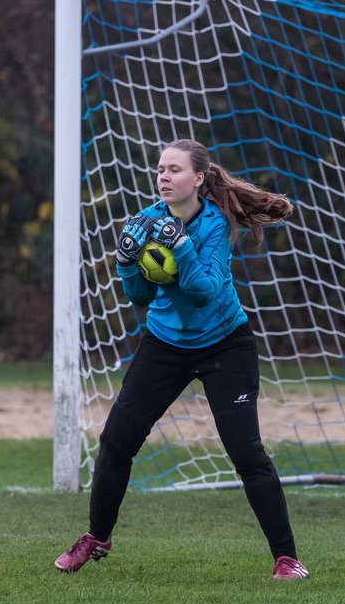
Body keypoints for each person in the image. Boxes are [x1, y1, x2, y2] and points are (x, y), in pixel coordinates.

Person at [54, 139, 309, 580]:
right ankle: (96, 538)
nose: (164, 178)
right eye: (160, 170)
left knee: (246, 452)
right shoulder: (147, 220)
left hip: (225, 344)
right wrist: (126, 262)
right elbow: (139, 297)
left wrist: (181, 245)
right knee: (116, 441)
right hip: (165, 343)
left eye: (174, 170)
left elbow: (203, 291)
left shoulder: (215, 225)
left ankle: (286, 559)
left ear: (199, 179)